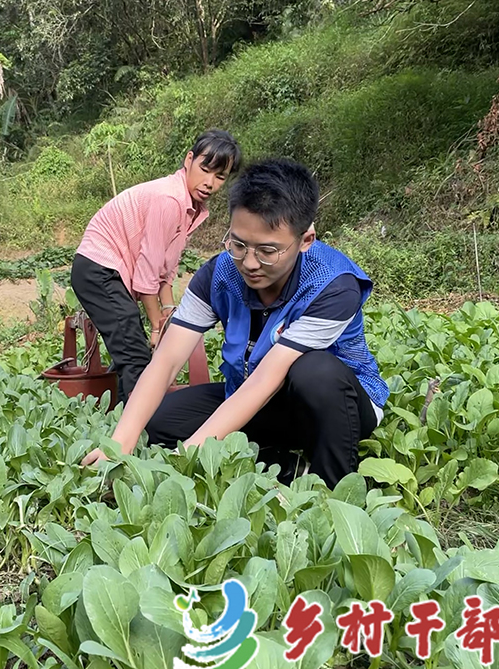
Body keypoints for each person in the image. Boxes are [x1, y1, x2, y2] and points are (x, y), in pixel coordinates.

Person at [82, 158, 389, 489]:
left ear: (305, 240)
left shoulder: (333, 284)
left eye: (268, 251)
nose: (250, 263)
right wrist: (119, 445)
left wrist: (191, 452)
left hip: (336, 407)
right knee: (157, 420)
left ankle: (336, 481)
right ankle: (287, 467)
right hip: (257, 397)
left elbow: (270, 376)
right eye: (239, 244)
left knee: (315, 371)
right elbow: (167, 360)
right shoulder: (218, 274)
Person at [71, 129, 242, 403]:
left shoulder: (190, 207)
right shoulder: (170, 199)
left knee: (128, 346)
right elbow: (147, 272)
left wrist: (167, 313)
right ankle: (142, 430)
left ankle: (116, 416)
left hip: (109, 271)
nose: (210, 182)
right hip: (98, 267)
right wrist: (155, 327)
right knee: (135, 353)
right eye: (205, 169)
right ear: (189, 159)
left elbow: (166, 270)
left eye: (220, 177)